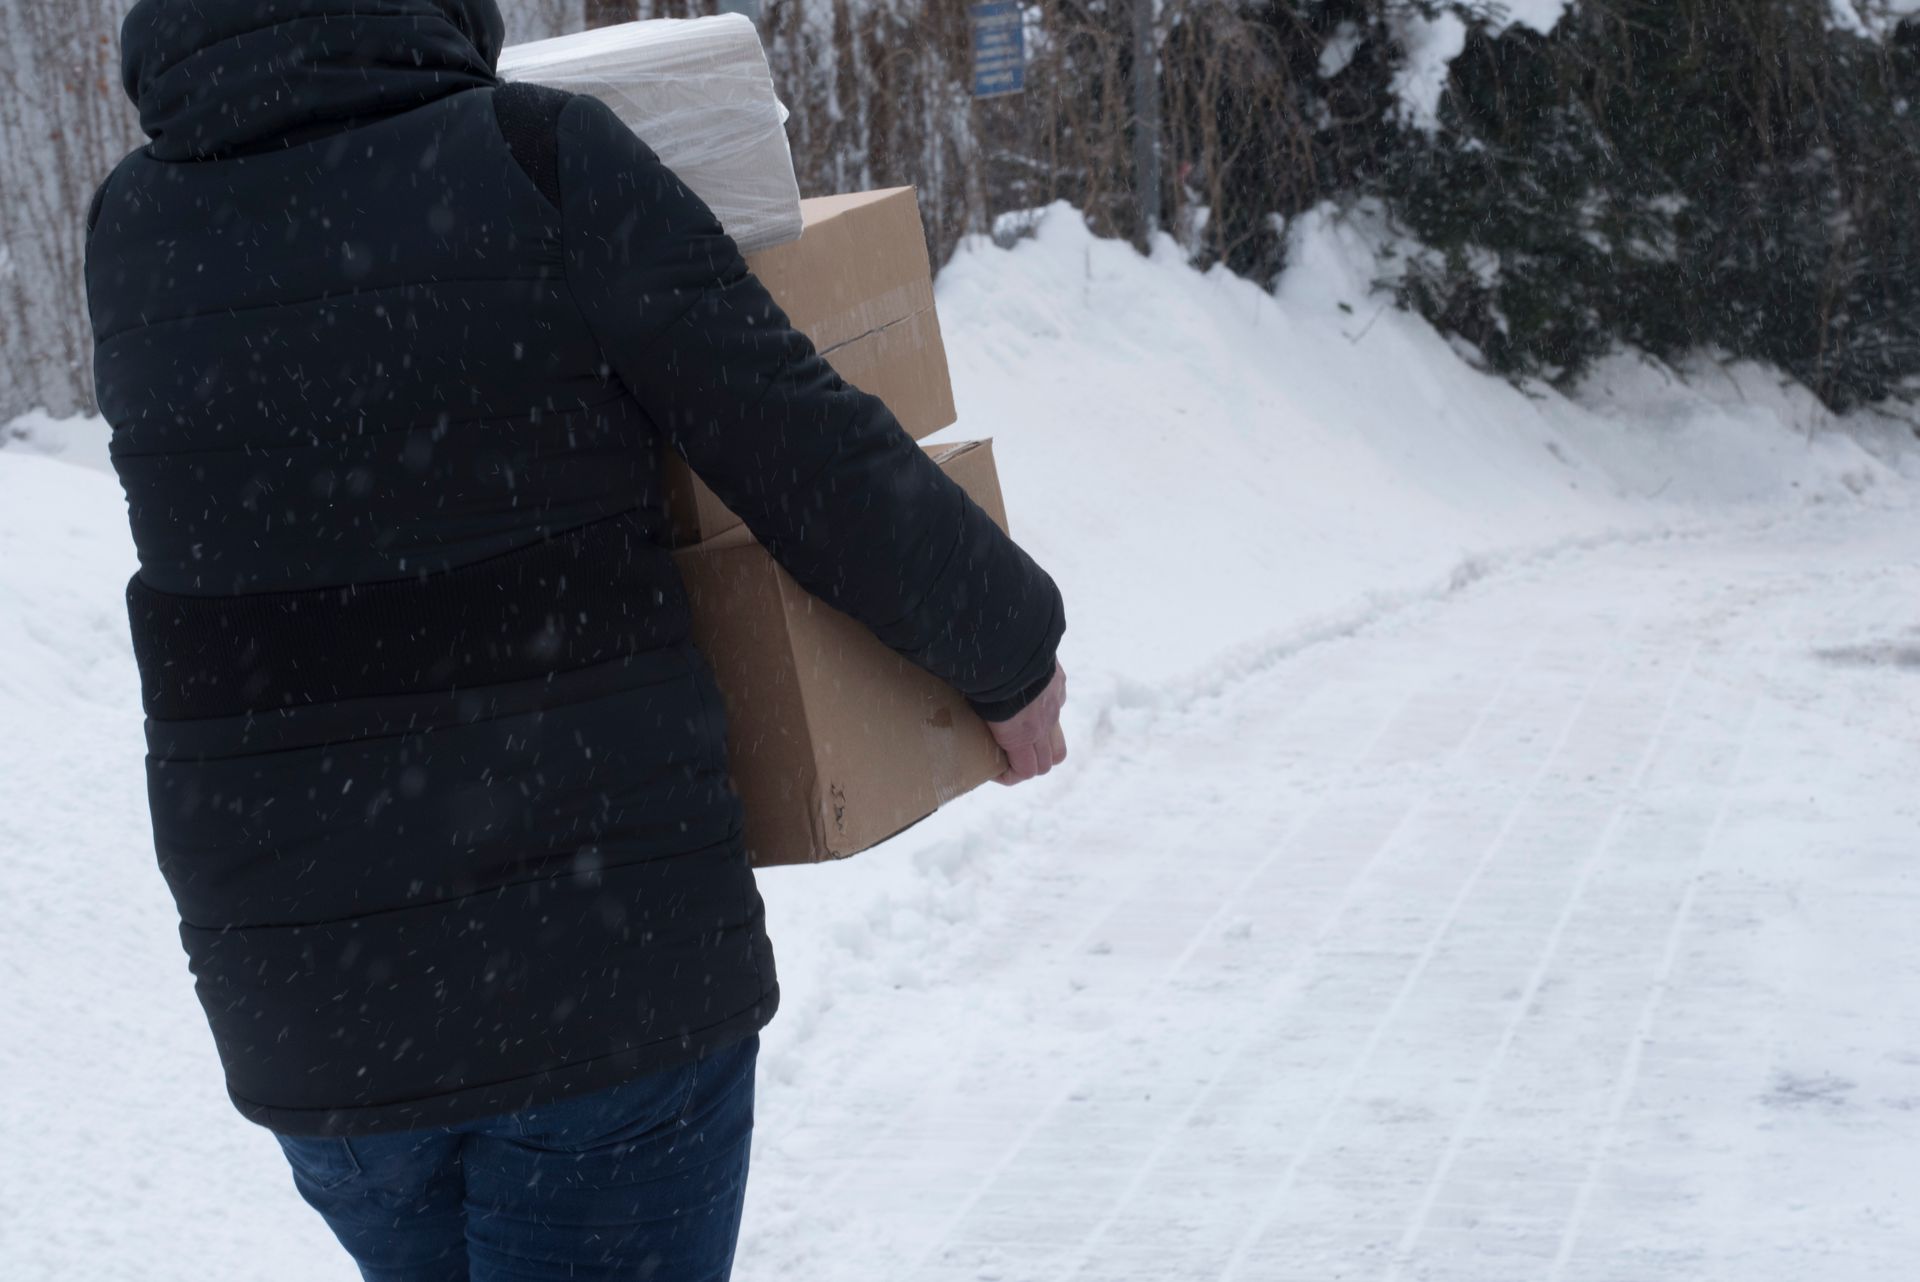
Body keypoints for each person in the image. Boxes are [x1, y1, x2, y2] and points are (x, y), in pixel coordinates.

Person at [84, 1, 1067, 1278]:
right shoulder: (538, 158)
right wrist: (1010, 650)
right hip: (597, 980)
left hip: (315, 1013)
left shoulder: (134, 229)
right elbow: (801, 447)